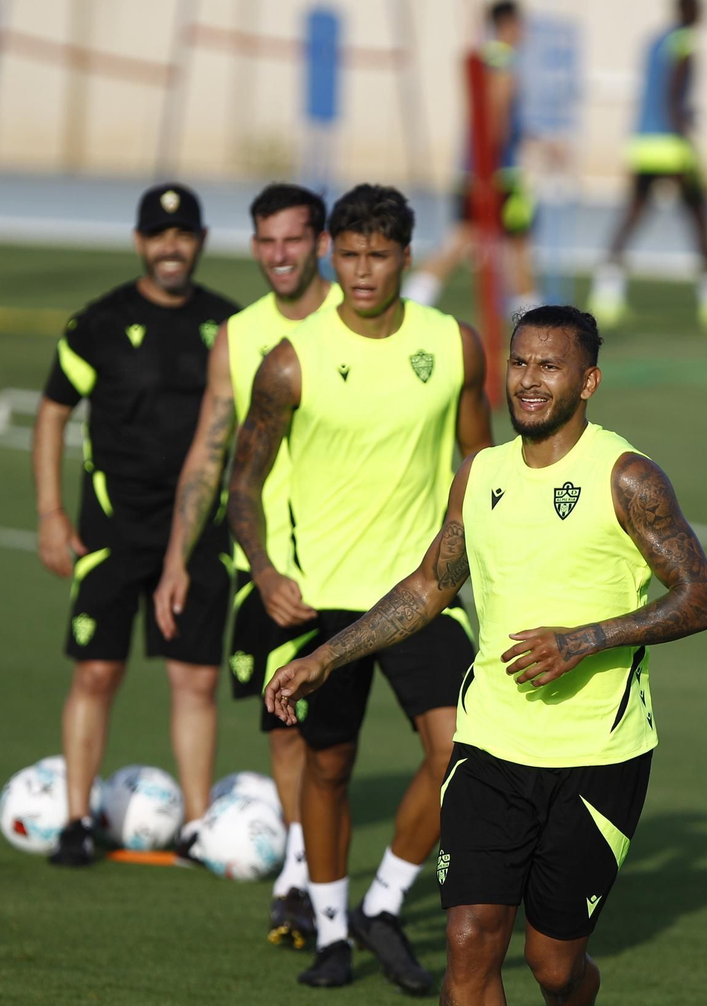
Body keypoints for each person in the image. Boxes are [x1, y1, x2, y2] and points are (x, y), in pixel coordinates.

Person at [266, 304, 707, 1006]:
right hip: (490, 746)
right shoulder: (479, 474)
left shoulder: (627, 477)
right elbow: (428, 587)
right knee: (469, 944)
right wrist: (327, 657)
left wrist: (584, 640)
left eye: (549, 366)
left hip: (597, 760)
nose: (528, 381)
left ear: (589, 381)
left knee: (552, 967)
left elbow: (700, 597)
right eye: (519, 362)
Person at [227, 184, 492, 993]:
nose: (363, 270)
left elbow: (483, 469)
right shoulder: (291, 359)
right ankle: (334, 932)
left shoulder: (454, 346)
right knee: (329, 769)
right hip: (321, 601)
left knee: (462, 761)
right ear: (329, 254)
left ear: (408, 256)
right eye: (349, 254)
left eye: (379, 255)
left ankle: (385, 904)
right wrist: (266, 573)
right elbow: (242, 484)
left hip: (421, 594)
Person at [151, 183, 339, 940]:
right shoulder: (239, 333)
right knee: (289, 727)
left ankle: (411, 886)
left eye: (292, 239)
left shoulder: (359, 323)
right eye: (265, 241)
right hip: (276, 568)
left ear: (321, 242)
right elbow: (208, 447)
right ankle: (301, 876)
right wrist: (175, 557)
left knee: (438, 733)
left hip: (375, 564)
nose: (278, 255)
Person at [32, 184, 238, 867]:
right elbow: (53, 413)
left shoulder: (229, 325)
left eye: (182, 235)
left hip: (202, 529)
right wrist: (50, 513)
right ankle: (76, 820)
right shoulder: (97, 323)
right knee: (95, 672)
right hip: (111, 529)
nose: (170, 247)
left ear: (201, 241)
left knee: (196, 680)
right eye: (158, 235)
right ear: (140, 242)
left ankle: (199, 825)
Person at [587, 0, 707, 333]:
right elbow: (675, 96)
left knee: (633, 215)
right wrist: (686, 138)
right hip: (670, 146)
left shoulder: (655, 40)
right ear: (692, 11)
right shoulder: (685, 43)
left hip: (643, 143)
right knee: (700, 217)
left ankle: (606, 294)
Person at [403, 0, 537, 318]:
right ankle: (530, 312)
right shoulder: (504, 62)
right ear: (508, 24)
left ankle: (529, 310)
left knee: (497, 238)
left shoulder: (484, 58)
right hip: (496, 171)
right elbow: (495, 116)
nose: (525, 31)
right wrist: (489, 165)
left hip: (478, 167)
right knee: (493, 240)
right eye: (521, 24)